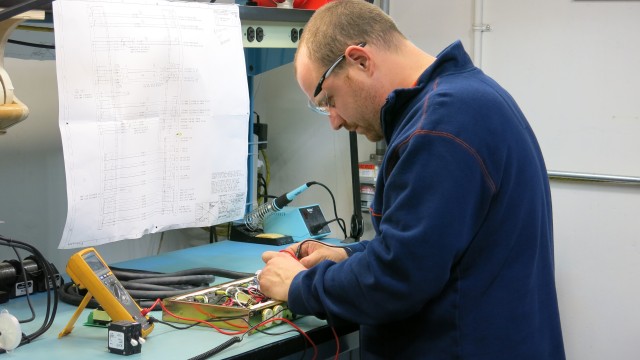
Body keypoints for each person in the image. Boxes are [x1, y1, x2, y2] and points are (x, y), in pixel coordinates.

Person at [258, 1, 566, 359]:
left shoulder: (442, 126)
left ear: (359, 60)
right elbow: (431, 249)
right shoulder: (469, 98)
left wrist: (297, 286)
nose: (334, 121)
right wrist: (349, 255)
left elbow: (396, 281)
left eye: (329, 100)